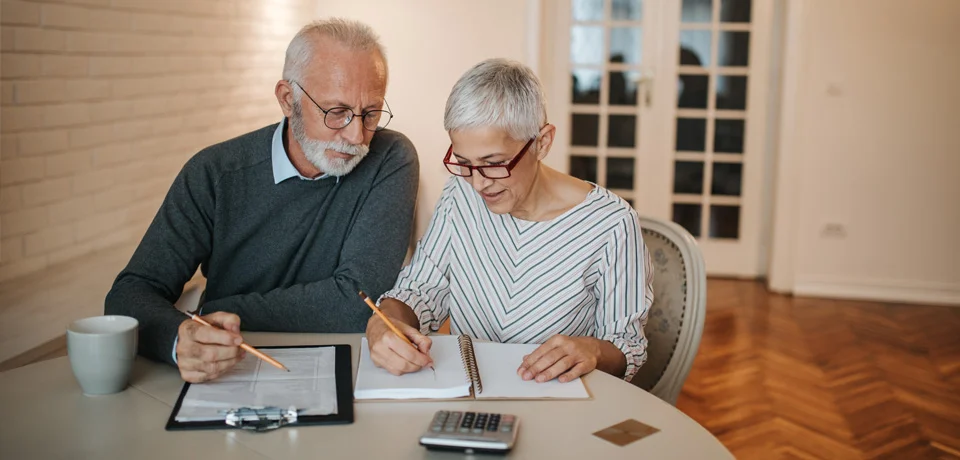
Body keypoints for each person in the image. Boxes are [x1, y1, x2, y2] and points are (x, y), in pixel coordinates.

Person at [105, 19, 419, 384]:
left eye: (371, 113)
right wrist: (181, 338)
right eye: (337, 112)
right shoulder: (214, 173)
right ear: (288, 99)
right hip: (229, 371)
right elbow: (130, 294)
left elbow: (358, 302)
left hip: (349, 370)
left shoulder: (390, 158)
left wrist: (216, 310)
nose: (356, 135)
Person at [365, 58, 653, 384]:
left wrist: (594, 351)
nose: (478, 183)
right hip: (469, 399)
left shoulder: (612, 225)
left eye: (494, 163)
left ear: (542, 142)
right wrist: (384, 319)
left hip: (559, 406)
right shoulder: (460, 194)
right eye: (464, 163)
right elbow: (420, 289)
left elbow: (627, 347)